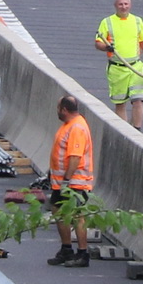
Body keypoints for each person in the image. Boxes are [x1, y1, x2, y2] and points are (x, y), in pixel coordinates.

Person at [46, 94, 96, 265]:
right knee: (58, 210)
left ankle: (82, 254)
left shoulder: (77, 128)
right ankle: (67, 249)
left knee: (76, 215)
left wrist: (66, 180)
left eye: (58, 109)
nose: (57, 112)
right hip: (62, 181)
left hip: (74, 181)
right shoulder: (68, 125)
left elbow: (74, 157)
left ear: (64, 110)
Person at [95, 0, 143, 129]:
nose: (123, 7)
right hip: (117, 69)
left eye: (126, 4)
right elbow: (98, 43)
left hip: (135, 67)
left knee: (138, 99)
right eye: (121, 4)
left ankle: (137, 130)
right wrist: (106, 48)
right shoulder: (107, 22)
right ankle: (124, 131)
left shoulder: (137, 21)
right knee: (120, 102)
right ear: (115, 6)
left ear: (130, 5)